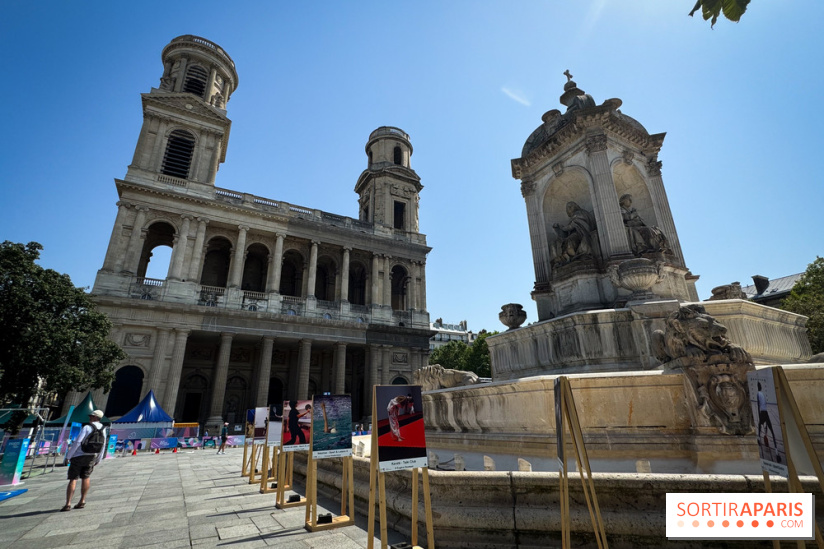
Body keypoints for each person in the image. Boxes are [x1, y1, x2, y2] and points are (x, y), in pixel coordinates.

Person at [62, 410, 107, 512]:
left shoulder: (87, 427)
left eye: (91, 416)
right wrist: (99, 458)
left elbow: (78, 442)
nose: (89, 418)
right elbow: (103, 444)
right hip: (91, 456)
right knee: (86, 477)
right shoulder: (104, 429)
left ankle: (68, 503)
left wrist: (69, 455)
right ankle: (82, 500)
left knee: (73, 479)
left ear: (96, 417)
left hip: (79, 455)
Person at [550, 201, 597, 266]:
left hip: (582, 233)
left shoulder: (579, 213)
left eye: (569, 207)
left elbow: (573, 225)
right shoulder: (576, 216)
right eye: (567, 208)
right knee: (566, 240)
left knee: (570, 240)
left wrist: (562, 228)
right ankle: (569, 257)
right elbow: (569, 230)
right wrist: (559, 229)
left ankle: (572, 256)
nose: (568, 210)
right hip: (577, 234)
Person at [757, 382, 777, 448]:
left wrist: (759, 415)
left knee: (759, 425)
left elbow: (758, 405)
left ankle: (759, 439)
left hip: (762, 412)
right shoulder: (762, 394)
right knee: (771, 430)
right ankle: (776, 450)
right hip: (766, 412)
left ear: (758, 387)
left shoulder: (758, 394)